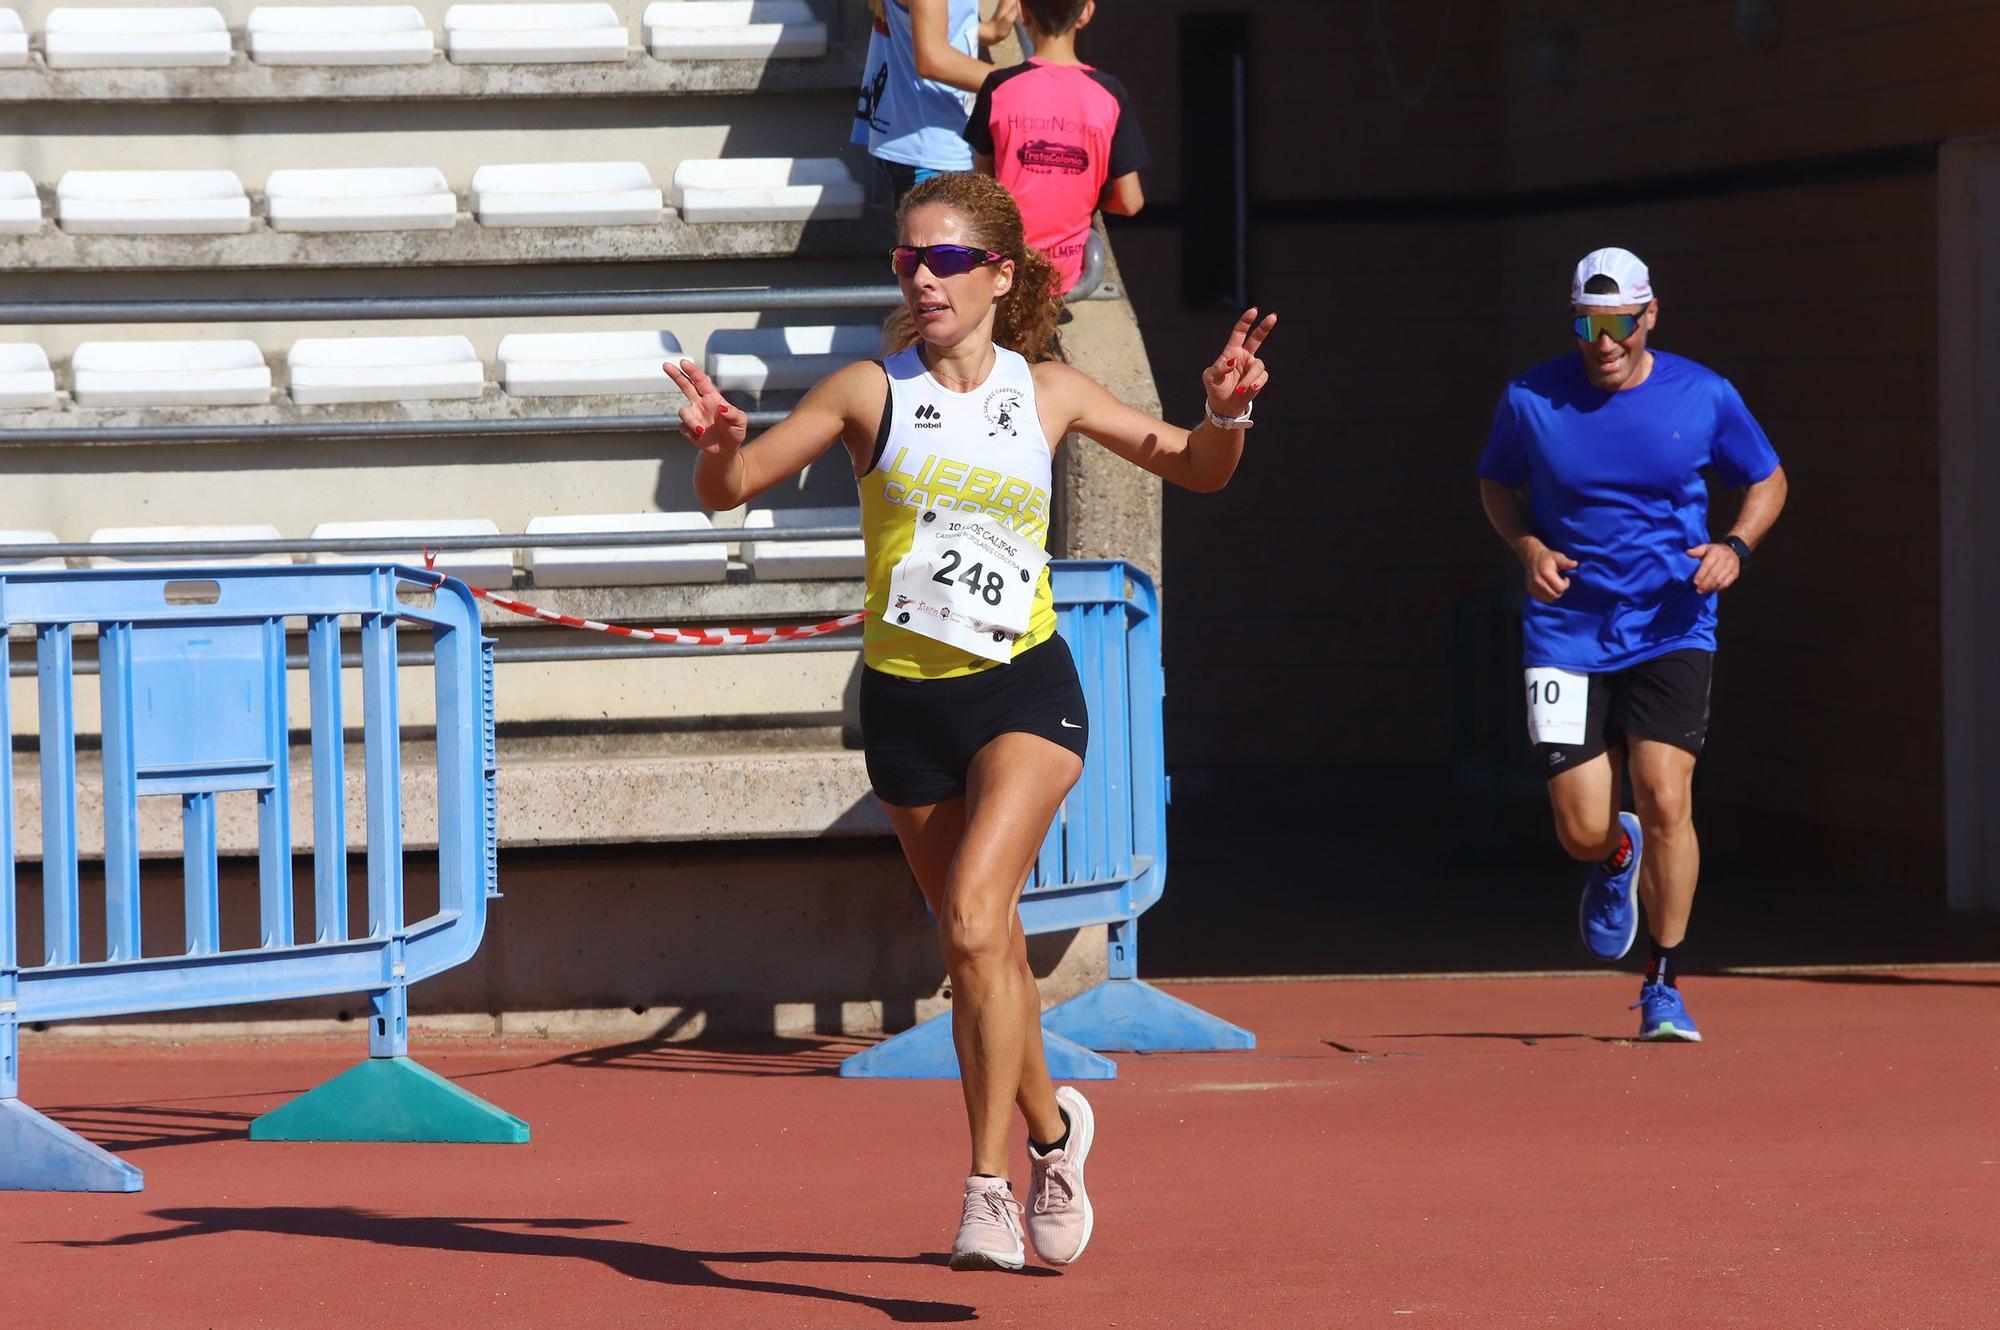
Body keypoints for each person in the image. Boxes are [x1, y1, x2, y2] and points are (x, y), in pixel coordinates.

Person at [663, 172, 1275, 1270]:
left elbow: (1197, 467)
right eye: (908, 259)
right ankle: (1054, 1132)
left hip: (1022, 691)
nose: (924, 277)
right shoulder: (868, 390)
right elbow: (735, 483)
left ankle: (985, 1187)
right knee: (974, 946)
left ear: (999, 273)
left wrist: (1224, 410)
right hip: (905, 706)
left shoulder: (1048, 391)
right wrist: (715, 443)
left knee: (983, 913)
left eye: (945, 258)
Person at [1476, 246, 1787, 1043]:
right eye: (1587, 322)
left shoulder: (1704, 394)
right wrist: (1529, 550)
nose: (1603, 340)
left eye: (1618, 322)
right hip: (1565, 634)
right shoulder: (1530, 399)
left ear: (1649, 316)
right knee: (1581, 827)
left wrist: (1736, 547)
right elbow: (1495, 484)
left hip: (1672, 625)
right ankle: (1615, 857)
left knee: (1667, 797)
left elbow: (1767, 478)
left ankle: (1663, 983)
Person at [964, 0, 1147, 295]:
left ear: (1023, 13)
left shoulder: (998, 86)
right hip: (1065, 276)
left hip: (1005, 268)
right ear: (1086, 12)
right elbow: (1131, 201)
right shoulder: (1110, 93)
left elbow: (982, 185)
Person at [853, 0, 1022, 204]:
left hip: (926, 137)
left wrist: (992, 30)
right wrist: (1022, 83)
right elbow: (932, 58)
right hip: (929, 147)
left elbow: (930, 21)